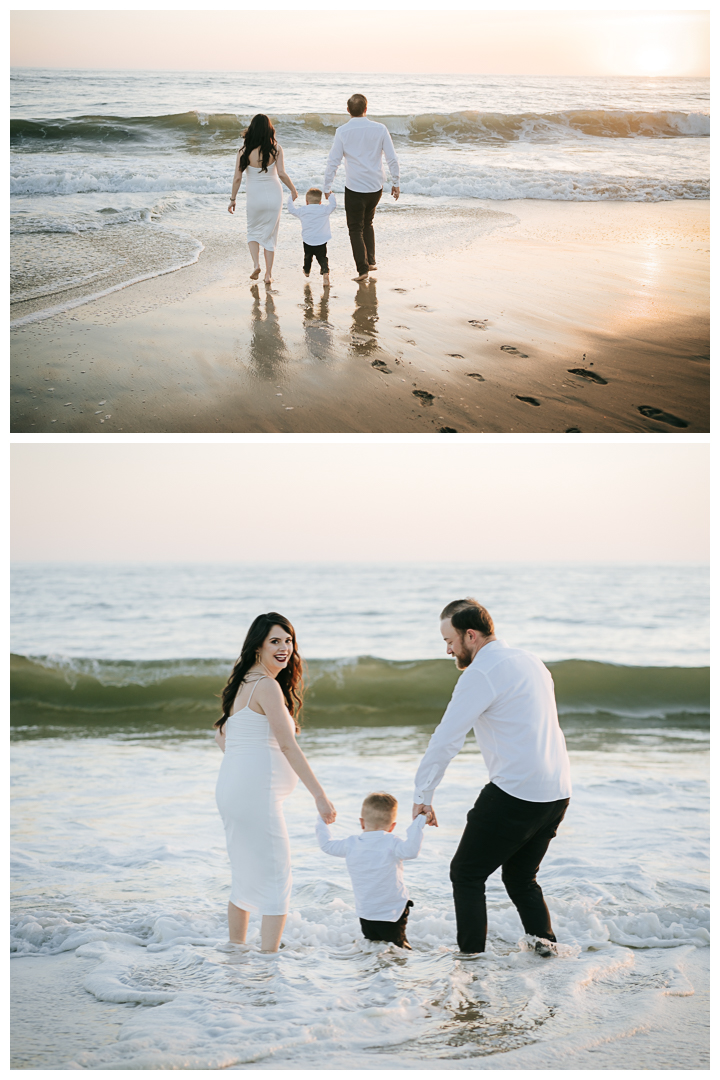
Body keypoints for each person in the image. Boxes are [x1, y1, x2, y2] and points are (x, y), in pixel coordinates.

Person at [412, 598, 572, 957]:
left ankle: (470, 961)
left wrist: (423, 794)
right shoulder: (532, 661)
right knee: (520, 877)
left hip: (517, 792)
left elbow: (446, 738)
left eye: (449, 640)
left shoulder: (481, 673)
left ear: (471, 635)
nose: (447, 649)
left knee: (465, 874)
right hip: (557, 791)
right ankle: (546, 952)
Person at [214, 612, 335, 953]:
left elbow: (221, 734)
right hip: (254, 796)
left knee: (245, 876)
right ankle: (269, 965)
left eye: (288, 641)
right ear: (257, 647)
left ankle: (235, 954)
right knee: (277, 880)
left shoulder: (243, 684)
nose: (284, 648)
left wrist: (243, 766)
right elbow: (287, 745)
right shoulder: (266, 685)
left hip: (233, 792)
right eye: (275, 642)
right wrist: (320, 796)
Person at [316, 791, 425, 949]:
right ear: (392, 826)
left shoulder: (351, 844)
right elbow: (412, 851)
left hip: (366, 912)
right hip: (392, 912)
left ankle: (373, 972)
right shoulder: (392, 842)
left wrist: (322, 819)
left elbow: (327, 845)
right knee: (397, 950)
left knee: (373, 948)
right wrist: (419, 822)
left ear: (362, 822)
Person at [323, 94, 400, 282]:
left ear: (348, 110)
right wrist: (396, 182)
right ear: (366, 108)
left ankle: (362, 269)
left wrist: (327, 185)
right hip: (376, 187)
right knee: (368, 222)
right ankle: (371, 261)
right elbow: (392, 158)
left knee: (355, 228)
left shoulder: (342, 131)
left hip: (355, 187)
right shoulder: (380, 129)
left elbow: (333, 161)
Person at [228, 114, 298, 284]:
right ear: (269, 129)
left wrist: (233, 199)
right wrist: (293, 190)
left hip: (254, 196)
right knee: (270, 235)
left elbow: (237, 178)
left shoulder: (243, 151)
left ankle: (255, 265)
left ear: (251, 129)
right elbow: (281, 173)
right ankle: (268, 275)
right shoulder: (276, 149)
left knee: (252, 231)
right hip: (275, 195)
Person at [286, 187, 337, 285]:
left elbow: (291, 210)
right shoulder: (324, 209)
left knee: (308, 257)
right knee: (322, 257)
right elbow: (333, 205)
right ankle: (325, 271)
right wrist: (330, 195)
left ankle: (306, 271)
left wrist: (291, 198)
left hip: (308, 240)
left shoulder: (303, 210)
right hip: (321, 240)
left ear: (306, 201)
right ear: (320, 201)